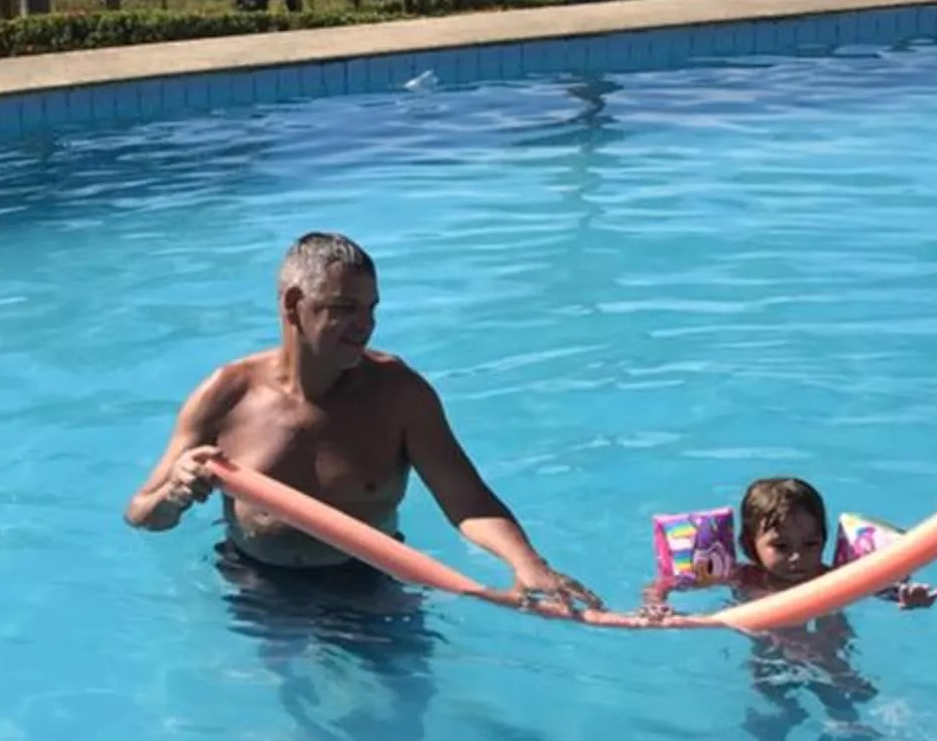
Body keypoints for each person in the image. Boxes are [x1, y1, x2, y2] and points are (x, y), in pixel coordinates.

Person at [127, 232, 600, 613]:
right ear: (293, 305)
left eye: (371, 309)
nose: (365, 326)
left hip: (369, 580)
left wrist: (528, 562)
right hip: (257, 584)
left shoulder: (399, 393)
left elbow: (466, 500)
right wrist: (176, 493)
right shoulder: (227, 395)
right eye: (344, 309)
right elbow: (143, 516)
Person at [642, 475, 937, 616]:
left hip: (829, 652)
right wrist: (657, 604)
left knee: (847, 691)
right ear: (749, 545)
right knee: (768, 710)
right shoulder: (741, 576)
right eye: (781, 547)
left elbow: (877, 587)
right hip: (769, 656)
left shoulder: (831, 577)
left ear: (825, 539)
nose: (798, 556)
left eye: (811, 543)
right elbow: (664, 583)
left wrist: (907, 597)